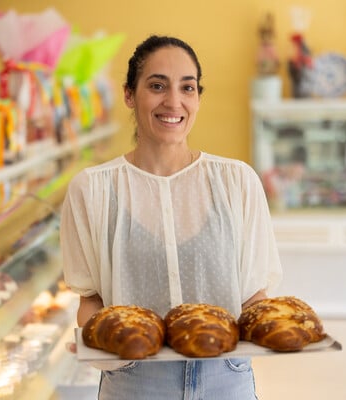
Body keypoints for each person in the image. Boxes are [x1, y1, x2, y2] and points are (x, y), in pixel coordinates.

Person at [60, 35, 282, 400]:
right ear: (130, 95)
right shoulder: (92, 189)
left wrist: (278, 329)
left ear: (197, 97)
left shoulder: (236, 181)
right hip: (134, 380)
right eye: (157, 85)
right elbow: (91, 301)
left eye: (187, 88)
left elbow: (253, 295)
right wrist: (97, 339)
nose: (173, 102)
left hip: (225, 376)